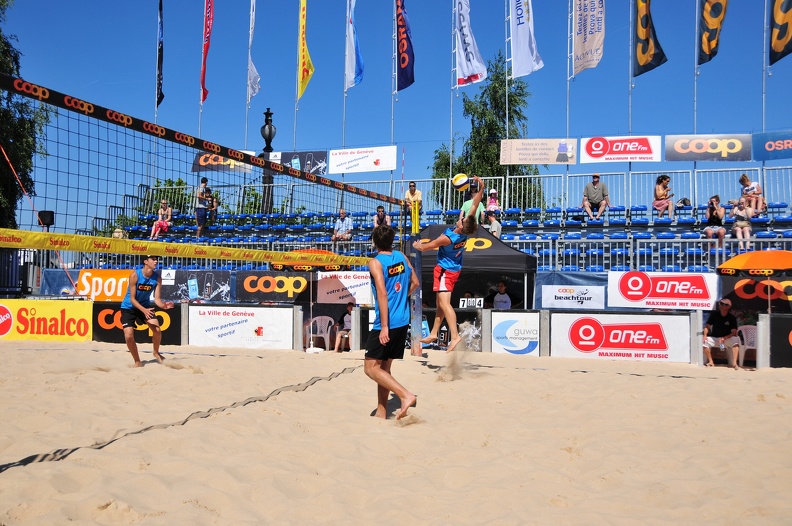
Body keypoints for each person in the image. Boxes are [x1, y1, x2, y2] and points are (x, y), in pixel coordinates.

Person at [413, 175, 484, 353]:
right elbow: (475, 204)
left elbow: (427, 247)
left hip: (445, 270)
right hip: (453, 268)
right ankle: (434, 333)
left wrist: (417, 245)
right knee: (440, 304)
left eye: (462, 218)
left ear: (461, 225)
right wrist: (481, 187)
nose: (460, 218)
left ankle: (455, 336)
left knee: (445, 304)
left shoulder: (448, 238)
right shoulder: (466, 229)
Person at [365, 224, 420, 420]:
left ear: (375, 242)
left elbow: (381, 293)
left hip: (386, 322)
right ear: (392, 240)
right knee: (384, 369)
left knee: (370, 368)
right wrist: (402, 298)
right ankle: (381, 412)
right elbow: (416, 283)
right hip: (403, 319)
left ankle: (405, 395)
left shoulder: (375, 262)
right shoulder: (402, 257)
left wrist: (384, 326)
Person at [120, 255, 174, 367]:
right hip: (129, 307)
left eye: (156, 259)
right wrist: (144, 310)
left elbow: (157, 299)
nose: (156, 261)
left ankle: (155, 352)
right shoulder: (135, 275)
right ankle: (137, 361)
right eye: (153, 259)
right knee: (129, 336)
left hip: (144, 306)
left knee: (157, 330)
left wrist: (164, 306)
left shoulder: (157, 278)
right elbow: (132, 299)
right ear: (145, 261)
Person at [702, 297, 740, 369]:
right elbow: (707, 327)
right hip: (715, 338)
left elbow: (734, 332)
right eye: (720, 304)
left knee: (735, 340)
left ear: (728, 307)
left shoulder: (732, 318)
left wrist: (725, 338)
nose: (721, 305)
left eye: (724, 304)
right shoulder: (714, 315)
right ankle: (711, 362)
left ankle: (734, 363)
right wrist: (705, 335)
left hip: (726, 339)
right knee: (704, 341)